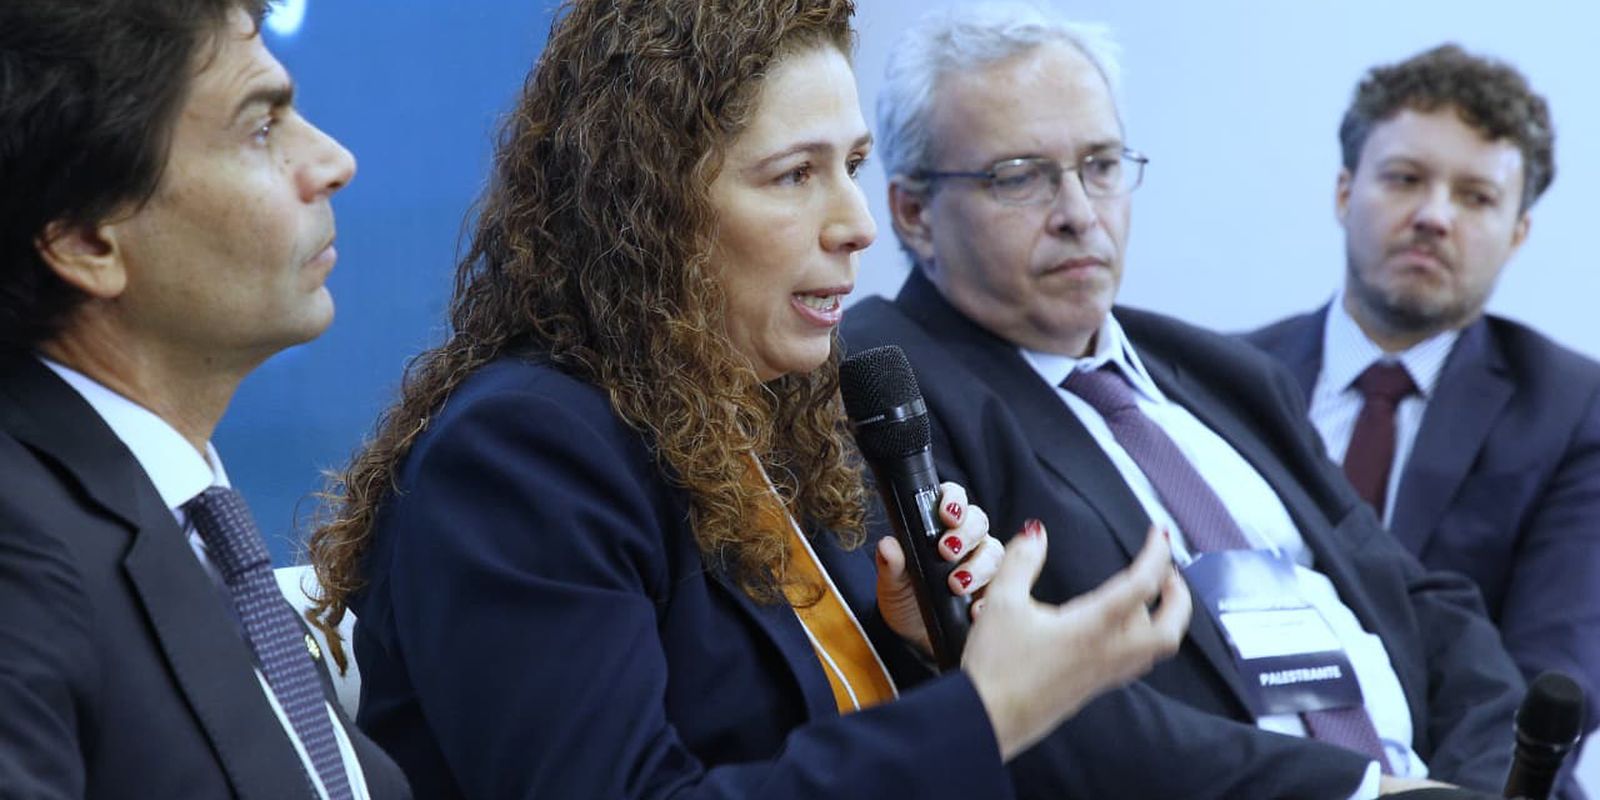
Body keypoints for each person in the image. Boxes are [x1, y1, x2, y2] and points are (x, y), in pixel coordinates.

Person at [301, 0, 1190, 798]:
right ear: (651, 207)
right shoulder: (521, 454)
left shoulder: (781, 424)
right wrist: (986, 711)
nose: (858, 225)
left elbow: (824, 729)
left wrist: (928, 650)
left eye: (853, 164)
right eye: (796, 175)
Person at [844, 4, 1535, 798]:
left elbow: (1425, 607)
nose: (1079, 213)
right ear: (914, 212)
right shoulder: (891, 388)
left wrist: (1486, 786)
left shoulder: (1225, 372)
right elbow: (1023, 702)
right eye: (1021, 176)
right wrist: (1363, 794)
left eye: (1102, 165)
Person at [0, 1, 410, 797]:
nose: (333, 161)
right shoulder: (22, 551)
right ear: (87, 240)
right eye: (261, 128)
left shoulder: (185, 522)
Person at [1244, 45, 1600, 737]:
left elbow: (1555, 678)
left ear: (1517, 234)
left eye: (1476, 197)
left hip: (1461, 768)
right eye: (1405, 179)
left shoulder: (1570, 411)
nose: (1435, 216)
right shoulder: (1222, 380)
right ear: (1344, 192)